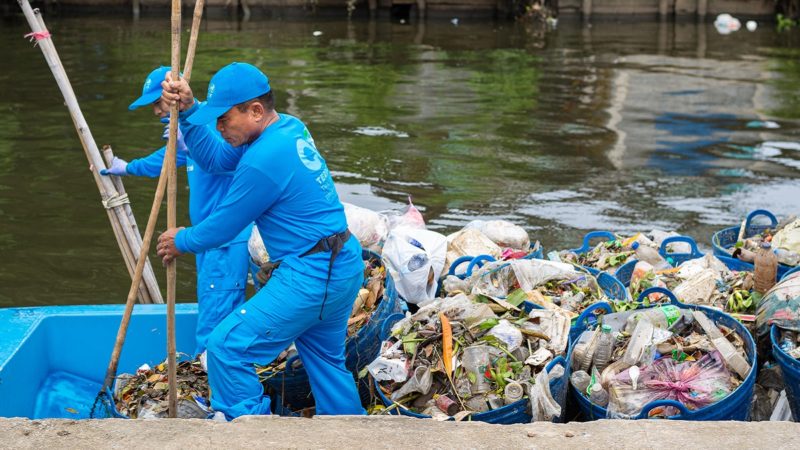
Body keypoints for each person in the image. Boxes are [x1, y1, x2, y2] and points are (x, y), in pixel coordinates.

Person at [156, 62, 365, 419]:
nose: (219, 127)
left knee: (225, 348)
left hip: (312, 274)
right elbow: (216, 160)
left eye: (224, 119)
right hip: (342, 262)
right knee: (326, 363)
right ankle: (352, 434)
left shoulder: (263, 159)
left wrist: (182, 239)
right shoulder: (286, 128)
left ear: (254, 110)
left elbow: (222, 227)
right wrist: (190, 111)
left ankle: (254, 434)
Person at [101, 66, 252, 359]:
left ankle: (212, 391)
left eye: (159, 103)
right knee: (213, 310)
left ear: (175, 96)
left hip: (225, 240)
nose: (157, 112)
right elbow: (165, 159)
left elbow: (225, 158)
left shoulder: (211, 122)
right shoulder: (184, 130)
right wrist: (128, 167)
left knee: (214, 325)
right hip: (207, 239)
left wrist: (190, 135)